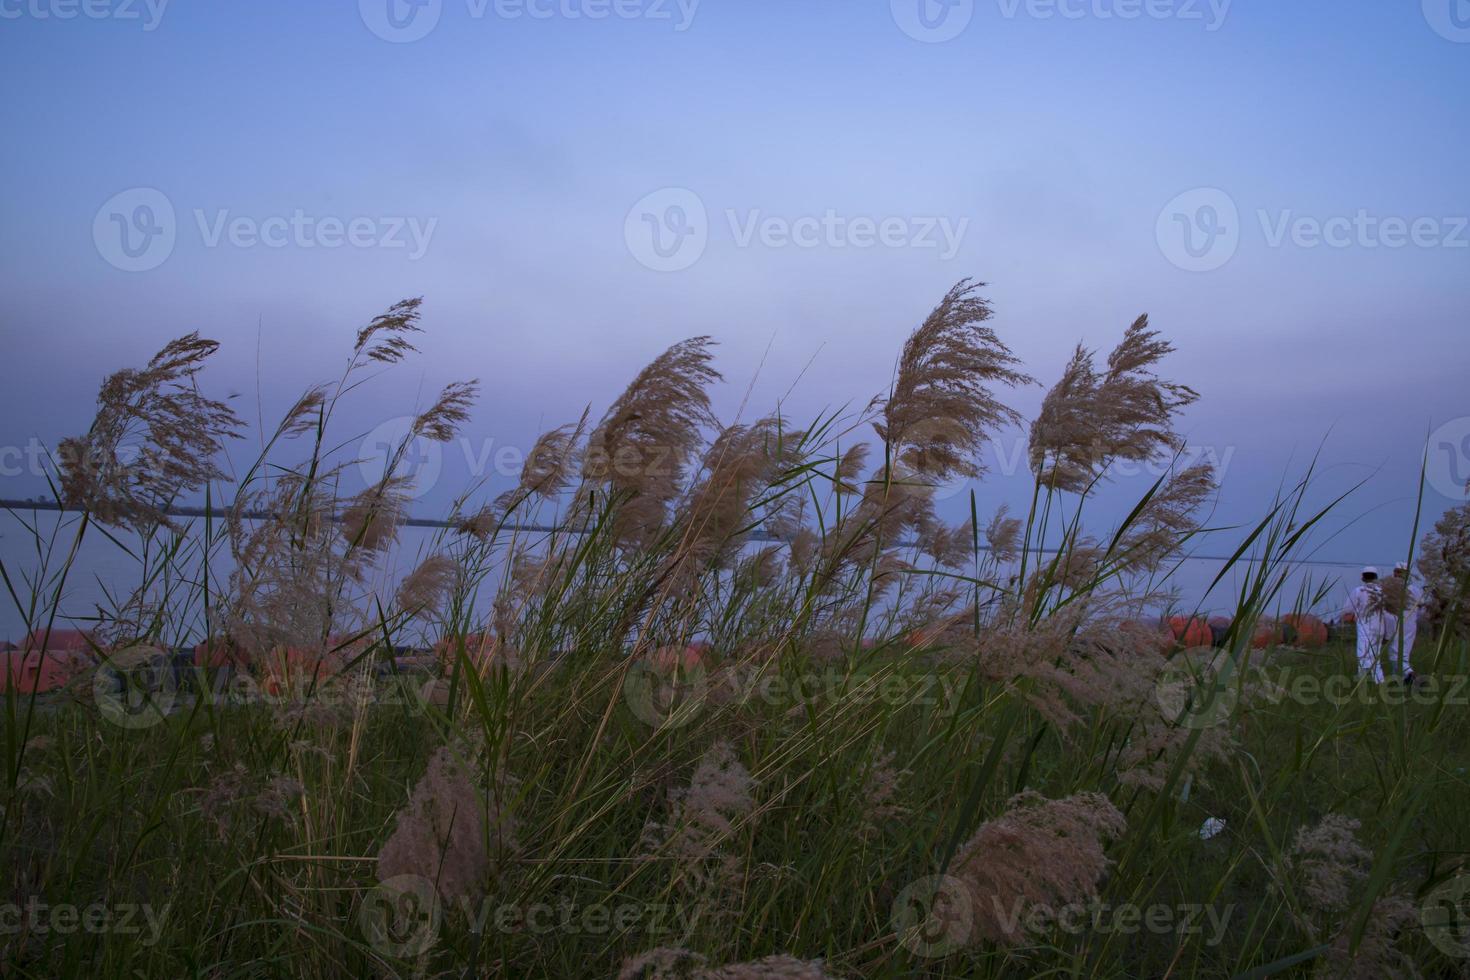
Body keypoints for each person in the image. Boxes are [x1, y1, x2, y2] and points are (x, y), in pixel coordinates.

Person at [1342, 566, 1388, 683]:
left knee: (1363, 654)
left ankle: (1363, 682)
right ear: (1376, 577)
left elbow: (1348, 609)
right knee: (1376, 656)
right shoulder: (1382, 592)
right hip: (1380, 627)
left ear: (1362, 577)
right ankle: (1379, 681)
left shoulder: (1359, 591)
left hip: (1365, 626)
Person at [1386, 562, 1422, 683]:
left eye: (1399, 572)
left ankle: (1412, 676)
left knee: (1395, 655)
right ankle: (1401, 681)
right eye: (1395, 571)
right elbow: (1421, 608)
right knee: (1403, 654)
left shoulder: (1393, 590)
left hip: (1399, 625)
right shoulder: (1415, 590)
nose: (1396, 574)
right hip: (1410, 625)